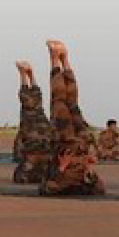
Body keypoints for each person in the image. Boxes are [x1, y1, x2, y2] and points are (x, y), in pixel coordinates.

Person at [41, 40, 105, 195]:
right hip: (79, 143)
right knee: (71, 104)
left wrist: (62, 168)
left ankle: (57, 59)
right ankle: (62, 59)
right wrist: (90, 169)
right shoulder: (83, 183)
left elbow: (45, 189)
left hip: (66, 142)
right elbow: (100, 189)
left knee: (61, 103)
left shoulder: (60, 183)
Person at [12, 60, 54, 183]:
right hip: (39, 129)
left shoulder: (32, 167)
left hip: (33, 128)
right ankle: (27, 74)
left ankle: (25, 74)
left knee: (30, 100)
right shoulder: (45, 168)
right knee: (35, 100)